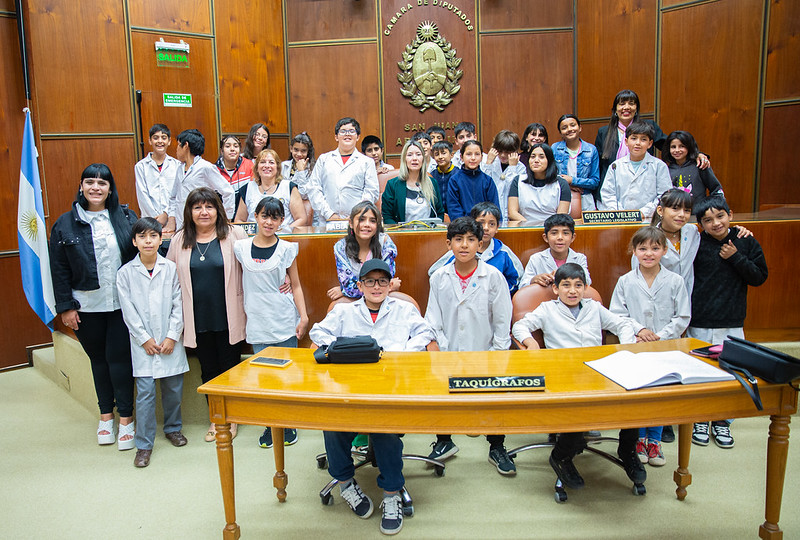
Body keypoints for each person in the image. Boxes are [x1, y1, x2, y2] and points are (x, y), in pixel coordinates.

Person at [309, 258, 436, 536]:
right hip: (350, 387)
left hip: (392, 387)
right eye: (370, 281)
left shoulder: (404, 310)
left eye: (382, 281)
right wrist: (343, 349)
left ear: (390, 285)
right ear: (360, 285)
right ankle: (345, 483)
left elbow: (426, 332)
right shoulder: (345, 311)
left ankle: (391, 494)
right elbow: (317, 332)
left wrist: (400, 352)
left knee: (385, 429)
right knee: (333, 426)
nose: (376, 286)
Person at [511, 263, 639, 490]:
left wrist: (625, 349)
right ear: (556, 290)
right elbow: (521, 326)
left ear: (585, 287)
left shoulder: (594, 307)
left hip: (596, 370)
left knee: (632, 401)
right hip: (563, 372)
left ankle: (627, 451)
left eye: (578, 286)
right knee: (579, 407)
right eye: (566, 285)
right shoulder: (547, 309)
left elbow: (622, 325)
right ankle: (561, 456)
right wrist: (531, 342)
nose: (572, 291)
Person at [49, 163, 138, 449]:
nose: (96, 187)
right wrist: (66, 306)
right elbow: (59, 269)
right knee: (98, 361)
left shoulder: (125, 216)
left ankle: (126, 418)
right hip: (86, 306)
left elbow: (142, 254)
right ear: (81, 186)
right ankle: (105, 416)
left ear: (110, 188)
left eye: (102, 183)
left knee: (120, 361)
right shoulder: (64, 223)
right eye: (90, 182)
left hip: (123, 305)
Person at [425, 217, 514, 474]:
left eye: (471, 239)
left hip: (485, 351)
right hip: (448, 350)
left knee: (493, 401)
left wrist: (497, 353)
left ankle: (497, 446)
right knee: (443, 396)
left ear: (480, 243)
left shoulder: (494, 277)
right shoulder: (439, 277)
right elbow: (433, 319)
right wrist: (440, 350)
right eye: (458, 239)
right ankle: (444, 441)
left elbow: (501, 320)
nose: (464, 245)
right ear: (448, 243)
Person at [166, 187, 247, 442]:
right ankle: (217, 417)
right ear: (189, 211)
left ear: (218, 210)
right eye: (197, 207)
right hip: (196, 317)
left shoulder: (235, 234)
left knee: (230, 367)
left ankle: (231, 418)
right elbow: (169, 278)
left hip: (228, 315)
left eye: (209, 206)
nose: (204, 212)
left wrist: (284, 280)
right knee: (208, 369)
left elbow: (255, 267)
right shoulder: (180, 240)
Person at [687, 195, 768, 449]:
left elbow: (759, 277)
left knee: (731, 373)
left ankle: (723, 421)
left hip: (731, 321)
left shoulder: (746, 240)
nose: (716, 223)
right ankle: (700, 418)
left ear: (730, 215)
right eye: (708, 220)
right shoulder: (697, 243)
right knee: (699, 373)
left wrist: (735, 257)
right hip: (700, 319)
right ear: (700, 223)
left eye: (720, 216)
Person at [609, 226, 690, 467]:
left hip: (665, 346)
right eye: (642, 248)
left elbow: (682, 317)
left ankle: (654, 441)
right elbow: (617, 314)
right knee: (638, 393)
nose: (648, 253)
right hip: (635, 345)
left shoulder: (675, 281)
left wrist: (661, 335)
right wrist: (640, 330)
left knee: (659, 395)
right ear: (634, 251)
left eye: (655, 248)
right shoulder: (625, 281)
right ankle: (637, 439)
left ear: (665, 250)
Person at [234, 197, 309, 449]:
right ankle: (270, 425)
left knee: (287, 374)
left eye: (275, 217)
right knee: (263, 376)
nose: (269, 221)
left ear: (281, 221)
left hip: (283, 317)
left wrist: (304, 316)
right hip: (257, 320)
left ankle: (289, 424)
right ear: (255, 216)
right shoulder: (241, 247)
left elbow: (296, 284)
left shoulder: (287, 249)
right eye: (264, 216)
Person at [116, 218, 189, 468]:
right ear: (134, 241)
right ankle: (144, 445)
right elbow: (128, 311)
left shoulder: (171, 268)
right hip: (142, 344)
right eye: (142, 237)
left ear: (161, 239)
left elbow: (178, 304)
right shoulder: (125, 273)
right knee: (145, 394)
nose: (148, 241)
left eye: (153, 236)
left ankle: (173, 429)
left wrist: (171, 335)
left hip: (170, 341)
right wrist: (144, 339)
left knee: (173, 389)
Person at [594, 89, 711, 198]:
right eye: (622, 104)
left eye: (631, 103)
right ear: (615, 109)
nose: (626, 107)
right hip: (613, 187)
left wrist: (696, 154)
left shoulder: (649, 126)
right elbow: (598, 164)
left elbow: (668, 145)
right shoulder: (604, 132)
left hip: (642, 187)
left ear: (636, 108)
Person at [428, 202, 523, 294]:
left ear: (497, 227)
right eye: (481, 223)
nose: (486, 228)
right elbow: (433, 273)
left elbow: (517, 277)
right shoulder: (461, 251)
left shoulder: (503, 252)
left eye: (492, 224)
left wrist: (500, 292)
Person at [307, 117, 379, 222]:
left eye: (351, 131)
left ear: (358, 136)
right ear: (336, 137)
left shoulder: (367, 162)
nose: (347, 134)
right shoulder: (324, 159)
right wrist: (329, 214)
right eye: (343, 131)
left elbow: (371, 192)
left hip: (356, 221)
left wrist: (356, 214)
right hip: (327, 219)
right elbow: (313, 188)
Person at [598, 121, 672, 219]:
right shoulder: (615, 166)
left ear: (650, 144)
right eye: (633, 138)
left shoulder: (659, 166)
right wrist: (620, 213)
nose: (638, 143)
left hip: (649, 219)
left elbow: (664, 196)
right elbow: (608, 194)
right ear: (626, 141)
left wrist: (643, 213)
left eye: (643, 139)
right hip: (620, 219)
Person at [166, 129, 235, 233]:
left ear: (186, 146)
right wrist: (171, 219)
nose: (176, 150)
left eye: (178, 145)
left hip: (202, 225)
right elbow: (173, 197)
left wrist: (226, 218)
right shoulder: (180, 168)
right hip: (182, 226)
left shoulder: (205, 167)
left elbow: (228, 192)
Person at [328, 201, 400, 301]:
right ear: (351, 223)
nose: (367, 224)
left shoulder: (385, 243)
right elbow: (349, 287)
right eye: (361, 220)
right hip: (355, 301)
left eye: (372, 221)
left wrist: (344, 290)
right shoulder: (340, 247)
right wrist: (345, 290)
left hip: (381, 299)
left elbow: (385, 284)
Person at [234, 149, 307, 231]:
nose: (267, 165)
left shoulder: (289, 187)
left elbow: (301, 218)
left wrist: (283, 231)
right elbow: (239, 220)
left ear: (278, 168)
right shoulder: (247, 188)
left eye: (271, 162)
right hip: (254, 238)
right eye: (262, 162)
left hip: (283, 237)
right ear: (257, 168)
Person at [381, 140, 444, 224]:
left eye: (418, 154)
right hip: (401, 234)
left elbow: (439, 213)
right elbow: (387, 216)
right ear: (404, 159)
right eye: (410, 155)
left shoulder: (432, 183)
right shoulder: (392, 185)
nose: (414, 158)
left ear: (423, 159)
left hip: (428, 233)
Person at [520, 213, 591, 287]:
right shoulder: (536, 258)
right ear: (546, 238)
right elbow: (522, 286)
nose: (560, 237)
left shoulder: (579, 258)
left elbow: (587, 282)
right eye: (554, 233)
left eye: (565, 233)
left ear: (572, 237)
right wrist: (533, 280)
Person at [507, 143, 571, 225]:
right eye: (533, 156)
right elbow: (512, 212)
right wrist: (530, 226)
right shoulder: (518, 180)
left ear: (549, 160)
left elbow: (561, 215)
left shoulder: (561, 183)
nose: (536, 160)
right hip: (525, 227)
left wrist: (547, 228)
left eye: (541, 157)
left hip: (553, 229)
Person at [135, 123, 180, 226]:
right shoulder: (141, 166)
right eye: (155, 138)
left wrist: (167, 214)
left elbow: (178, 194)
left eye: (163, 138)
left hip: (173, 219)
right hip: (150, 219)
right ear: (150, 141)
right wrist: (156, 219)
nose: (160, 141)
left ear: (169, 141)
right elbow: (142, 195)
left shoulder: (177, 165)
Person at [552, 114, 600, 211]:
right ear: (561, 133)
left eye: (573, 125)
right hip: (560, 198)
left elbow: (595, 181)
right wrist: (567, 185)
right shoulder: (554, 149)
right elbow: (549, 176)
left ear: (580, 127)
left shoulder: (591, 150)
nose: (569, 129)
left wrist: (572, 180)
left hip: (585, 200)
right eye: (564, 128)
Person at [664, 130, 724, 207]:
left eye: (682, 146)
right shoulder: (666, 170)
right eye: (673, 147)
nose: (677, 150)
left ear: (689, 147)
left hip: (698, 215)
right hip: (676, 216)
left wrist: (711, 208)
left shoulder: (700, 165)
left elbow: (716, 189)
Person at [446, 140, 500, 219]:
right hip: (462, 227)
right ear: (461, 157)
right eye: (469, 154)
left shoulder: (488, 181)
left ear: (482, 157)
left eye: (477, 154)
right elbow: (454, 209)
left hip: (484, 226)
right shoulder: (455, 180)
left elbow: (494, 208)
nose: (473, 158)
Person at [481, 130, 525, 222]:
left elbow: (512, 189)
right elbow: (483, 185)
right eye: (500, 151)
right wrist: (488, 163)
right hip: (490, 213)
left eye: (507, 152)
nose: (503, 155)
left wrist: (512, 168)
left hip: (510, 216)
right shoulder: (490, 163)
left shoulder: (520, 168)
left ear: (515, 151)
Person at [215, 134, 254, 210]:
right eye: (227, 146)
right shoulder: (214, 170)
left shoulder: (249, 165)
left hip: (244, 212)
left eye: (236, 146)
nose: (232, 149)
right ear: (221, 151)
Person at [430, 140, 457, 214]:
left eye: (443, 153)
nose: (440, 157)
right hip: (437, 214)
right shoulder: (432, 175)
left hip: (455, 214)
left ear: (451, 155)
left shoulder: (458, 174)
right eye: (437, 154)